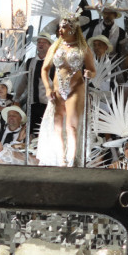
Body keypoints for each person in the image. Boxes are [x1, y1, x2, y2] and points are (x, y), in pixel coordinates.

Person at [39, 17, 96, 167]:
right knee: (57, 125)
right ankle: (61, 158)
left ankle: (72, 158)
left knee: (71, 126)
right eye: (60, 27)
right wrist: (47, 88)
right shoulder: (55, 47)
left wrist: (89, 74)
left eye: (64, 27)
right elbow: (44, 69)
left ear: (73, 28)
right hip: (58, 89)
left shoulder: (83, 48)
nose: (60, 30)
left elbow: (92, 69)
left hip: (76, 88)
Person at [19, 34, 53, 130]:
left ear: (49, 45)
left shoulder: (53, 62)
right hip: (32, 104)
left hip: (48, 104)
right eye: (39, 42)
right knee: (31, 130)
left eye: (44, 42)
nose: (40, 44)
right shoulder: (30, 62)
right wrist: (17, 99)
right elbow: (23, 82)